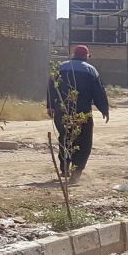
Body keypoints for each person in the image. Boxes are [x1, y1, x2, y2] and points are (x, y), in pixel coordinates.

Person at [49, 44, 110, 179]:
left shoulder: (60, 67)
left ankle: (65, 168)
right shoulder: (90, 70)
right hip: (82, 112)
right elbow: (98, 92)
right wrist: (104, 109)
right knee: (84, 140)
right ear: (86, 56)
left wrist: (50, 106)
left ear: (73, 55)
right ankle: (77, 171)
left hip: (62, 110)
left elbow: (51, 86)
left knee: (65, 138)